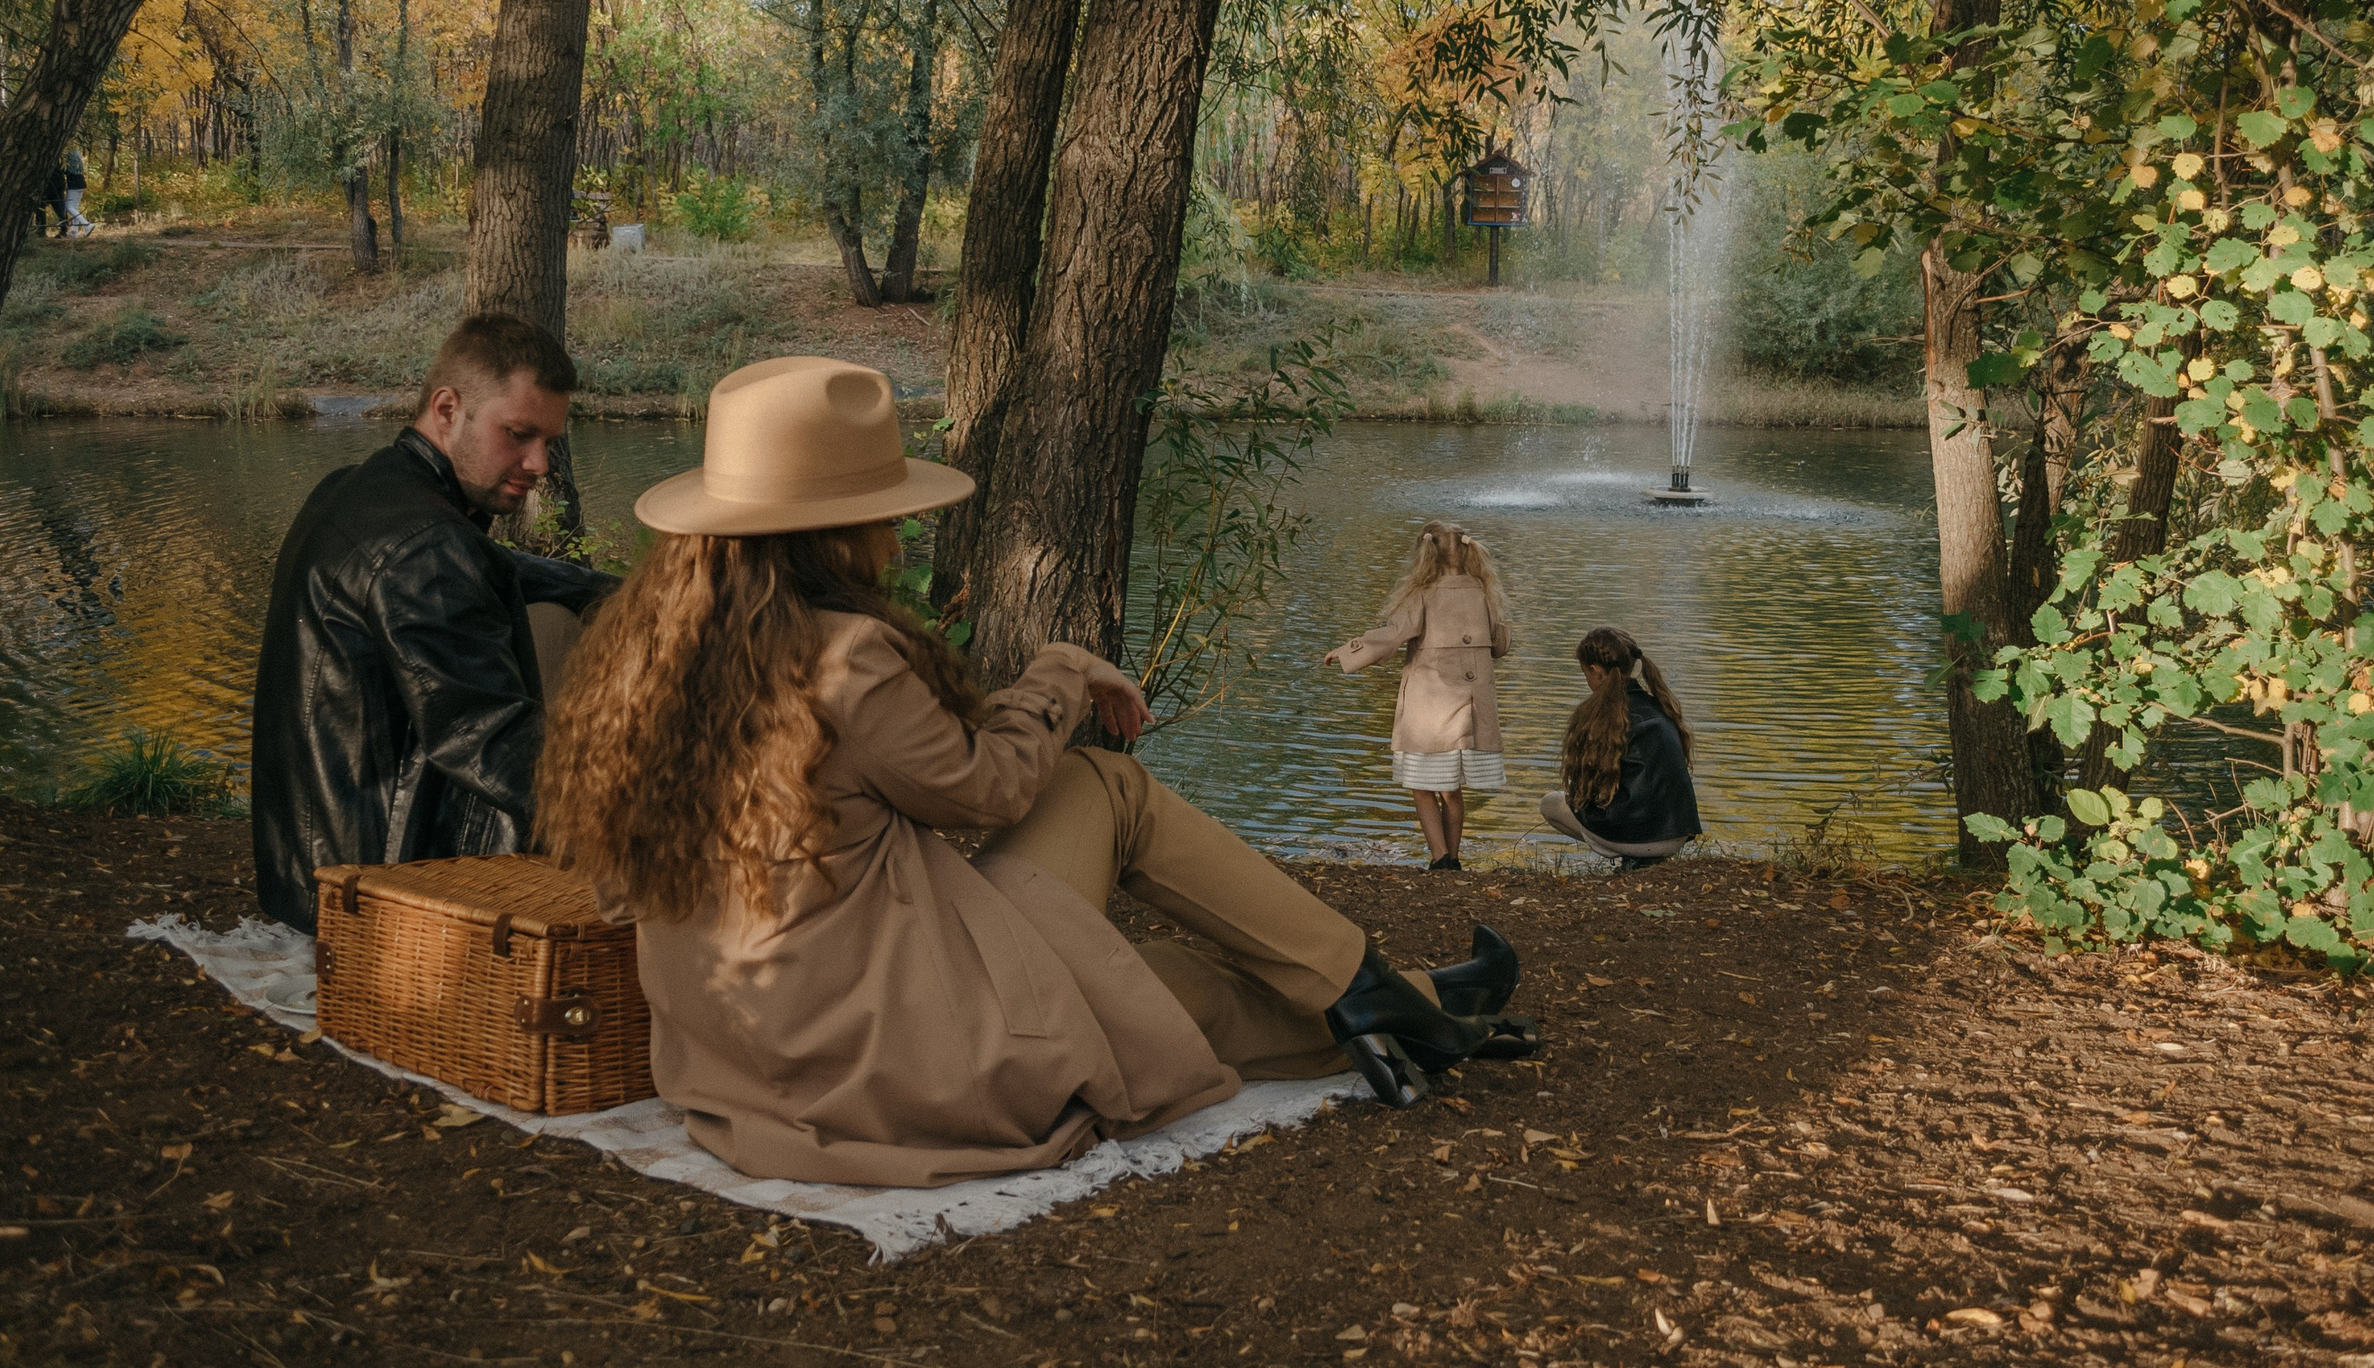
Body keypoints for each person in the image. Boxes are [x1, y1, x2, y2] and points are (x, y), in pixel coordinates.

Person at [536, 357, 1537, 1188]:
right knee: (1164, 985)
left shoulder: (646, 658)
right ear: (835, 530)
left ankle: (1387, 989)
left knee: (1110, 840)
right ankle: (1397, 995)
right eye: (884, 515)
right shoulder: (842, 657)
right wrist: (1059, 668)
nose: (896, 536)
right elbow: (988, 791)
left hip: (747, 1049)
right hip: (908, 1056)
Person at [249, 314, 617, 932]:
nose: (540, 464)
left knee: (558, 610)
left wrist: (625, 595)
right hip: (371, 893)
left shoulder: (358, 490)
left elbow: (496, 568)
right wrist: (656, 819)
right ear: (448, 409)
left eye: (549, 442)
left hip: (301, 874)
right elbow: (494, 744)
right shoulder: (430, 551)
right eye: (520, 434)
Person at [1321, 521, 1512, 871]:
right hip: (1471, 710)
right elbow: (1501, 645)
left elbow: (1391, 636)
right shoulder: (1484, 591)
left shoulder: (1422, 593)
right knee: (1453, 790)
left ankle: (1440, 859)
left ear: (1425, 553)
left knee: (1424, 788)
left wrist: (1346, 652)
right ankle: (1454, 859)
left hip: (1431, 714)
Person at [1538, 627, 1702, 868]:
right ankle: (1643, 859)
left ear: (1595, 670)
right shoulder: (1661, 706)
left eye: (1585, 673)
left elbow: (1587, 790)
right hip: (1677, 833)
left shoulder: (1597, 714)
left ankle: (1632, 855)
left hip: (1636, 836)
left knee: (1550, 803)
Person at [59, 147, 92, 235]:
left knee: (69, 206)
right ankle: (74, 232)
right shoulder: (77, 156)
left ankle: (86, 224)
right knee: (75, 208)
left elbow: (64, 170)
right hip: (81, 182)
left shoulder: (69, 158)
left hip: (74, 185)